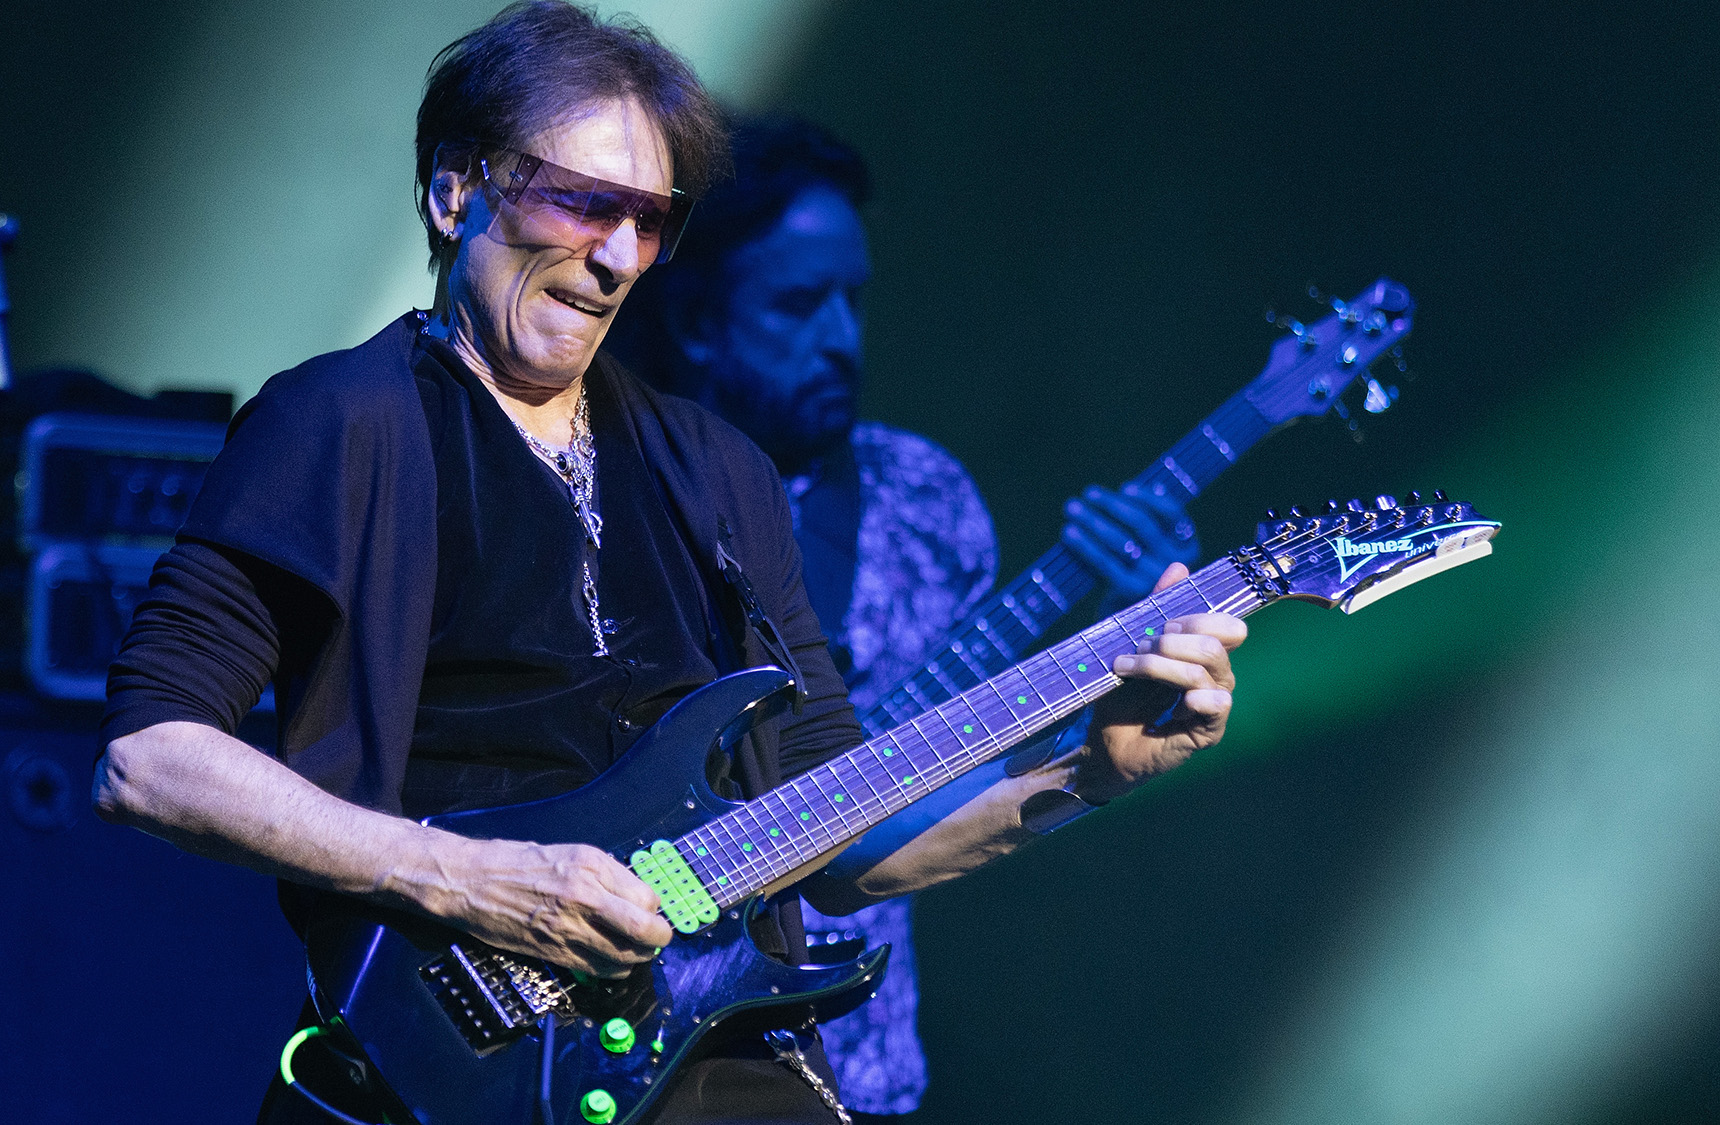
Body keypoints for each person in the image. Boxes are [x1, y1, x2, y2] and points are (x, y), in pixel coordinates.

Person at [91, 4, 1245, 1122]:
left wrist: (1086, 772)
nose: (616, 257)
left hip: (722, 1067)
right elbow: (151, 760)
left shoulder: (718, 471)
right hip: (448, 1065)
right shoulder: (344, 424)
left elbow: (836, 840)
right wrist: (465, 877)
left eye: (649, 221)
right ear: (455, 189)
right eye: (583, 203)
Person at [606, 117, 1204, 1121]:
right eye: (799, 303)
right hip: (622, 1030)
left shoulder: (924, 499)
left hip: (852, 1056)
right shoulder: (610, 489)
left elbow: (966, 769)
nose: (841, 337)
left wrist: (1117, 648)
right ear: (701, 320)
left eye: (854, 298)